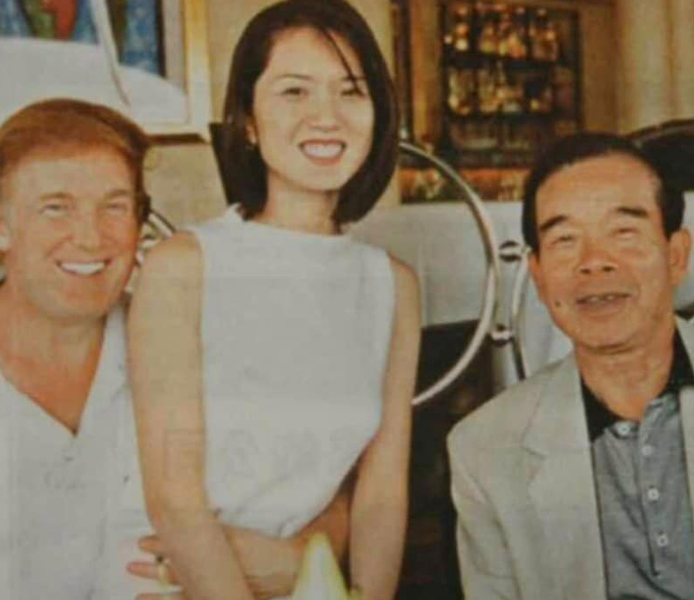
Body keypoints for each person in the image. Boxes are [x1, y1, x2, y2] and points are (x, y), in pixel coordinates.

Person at [0, 98, 347, 600]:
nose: (91, 238)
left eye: (114, 206)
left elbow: (326, 477)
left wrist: (298, 556)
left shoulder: (189, 343)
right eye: (56, 207)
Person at [128, 1, 421, 599]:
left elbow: (382, 494)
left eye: (350, 91)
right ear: (249, 121)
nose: (326, 117)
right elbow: (175, 501)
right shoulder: (184, 266)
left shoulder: (392, 284)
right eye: (294, 92)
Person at [448, 132, 694, 599]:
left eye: (624, 233)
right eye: (565, 240)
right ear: (538, 276)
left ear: (676, 255)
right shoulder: (485, 449)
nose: (594, 263)